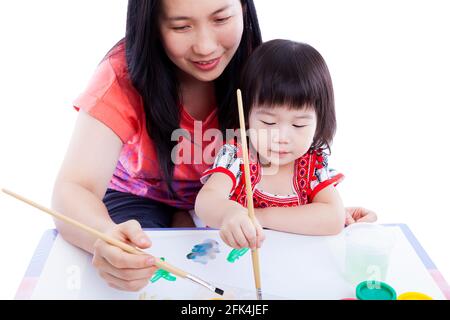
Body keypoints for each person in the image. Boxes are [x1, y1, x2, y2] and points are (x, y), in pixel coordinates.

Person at [52, 0, 375, 292]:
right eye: (181, 26)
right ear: (150, 24)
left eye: (221, 18)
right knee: (151, 274)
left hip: (228, 205)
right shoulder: (121, 78)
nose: (206, 47)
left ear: (244, 10)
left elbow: (287, 172)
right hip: (139, 200)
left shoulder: (260, 69)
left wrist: (310, 207)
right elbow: (73, 188)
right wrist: (104, 237)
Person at [195, 40, 377, 250]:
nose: (281, 137)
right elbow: (206, 201)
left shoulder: (312, 164)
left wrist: (258, 217)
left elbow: (333, 218)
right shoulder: (238, 155)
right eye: (268, 122)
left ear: (319, 122)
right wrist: (230, 214)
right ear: (246, 115)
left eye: (299, 124)